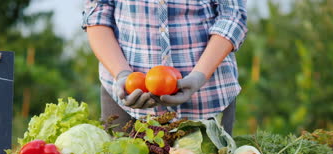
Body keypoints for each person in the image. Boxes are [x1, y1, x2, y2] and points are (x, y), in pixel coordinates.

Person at [82, 0, 247, 135]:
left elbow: (232, 15)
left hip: (207, 99)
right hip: (125, 103)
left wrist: (199, 76)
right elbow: (97, 13)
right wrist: (122, 74)